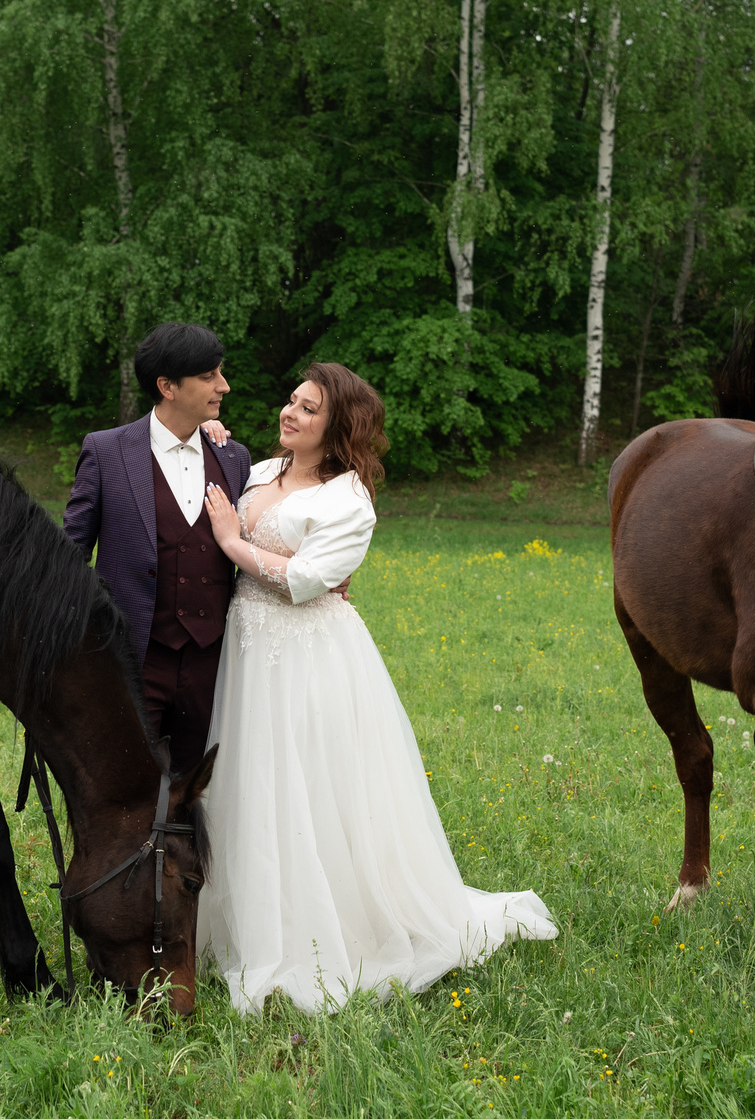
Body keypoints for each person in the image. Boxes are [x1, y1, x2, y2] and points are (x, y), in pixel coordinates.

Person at [195, 363, 555, 1013]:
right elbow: (210, 476)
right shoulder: (258, 472)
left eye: (307, 409)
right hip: (248, 649)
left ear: (336, 428)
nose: (290, 413)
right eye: (291, 400)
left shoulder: (348, 499)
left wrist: (230, 539)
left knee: (313, 790)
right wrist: (209, 431)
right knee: (252, 782)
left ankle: (327, 927)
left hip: (309, 655)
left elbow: (307, 579)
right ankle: (248, 915)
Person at [61, 322, 255, 776]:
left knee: (198, 787)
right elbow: (70, 554)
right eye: (209, 376)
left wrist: (317, 572)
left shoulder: (234, 457)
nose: (223, 386)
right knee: (126, 781)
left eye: (220, 373)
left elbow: (262, 535)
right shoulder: (106, 451)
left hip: (214, 660)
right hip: (132, 658)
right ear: (167, 386)